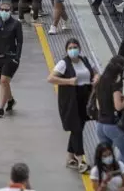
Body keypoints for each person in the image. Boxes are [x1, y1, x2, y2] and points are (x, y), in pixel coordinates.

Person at [47, 38, 99, 174]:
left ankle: (70, 157)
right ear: (66, 50)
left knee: (79, 127)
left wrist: (97, 77)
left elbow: (96, 73)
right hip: (71, 100)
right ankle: (81, 160)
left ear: (79, 48)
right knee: (77, 128)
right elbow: (51, 78)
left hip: (85, 98)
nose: (73, 50)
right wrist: (68, 81)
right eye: (70, 48)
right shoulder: (63, 63)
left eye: (75, 47)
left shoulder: (85, 61)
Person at [95, 55, 124, 166]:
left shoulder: (100, 82)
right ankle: (119, 175)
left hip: (100, 125)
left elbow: (98, 106)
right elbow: (118, 107)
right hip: (112, 125)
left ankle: (106, 176)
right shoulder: (115, 84)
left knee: (107, 155)